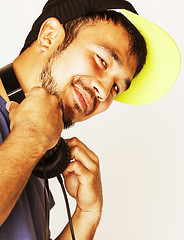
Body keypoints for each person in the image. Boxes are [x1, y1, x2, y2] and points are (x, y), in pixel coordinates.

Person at [0, 0, 180, 239]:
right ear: (49, 36)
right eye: (102, 61)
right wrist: (31, 136)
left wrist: (86, 215)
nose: (104, 92)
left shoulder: (33, 153)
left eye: (116, 87)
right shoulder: (29, 142)